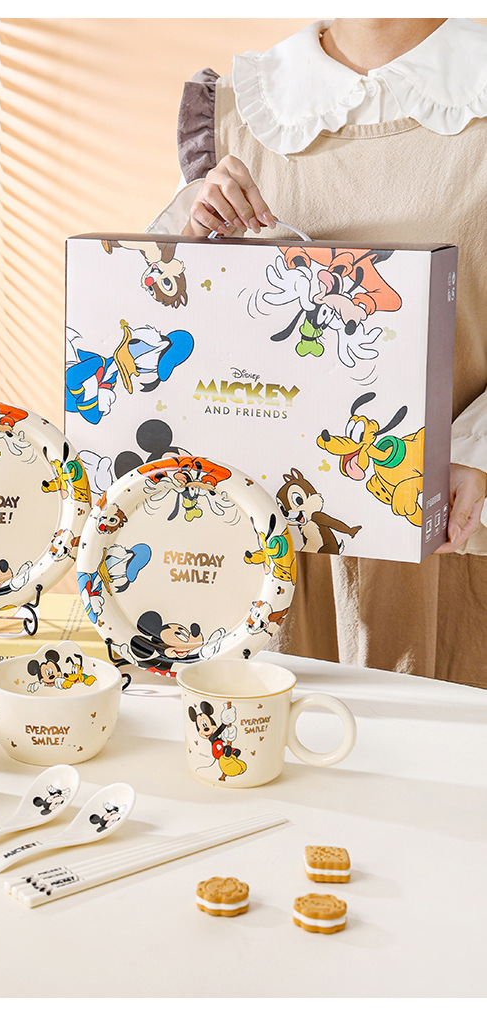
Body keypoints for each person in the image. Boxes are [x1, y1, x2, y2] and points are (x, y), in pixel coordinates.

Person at [147, 18, 487, 688]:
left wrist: (475, 453)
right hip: (266, 548)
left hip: (450, 535)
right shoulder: (241, 105)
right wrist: (197, 234)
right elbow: (159, 332)